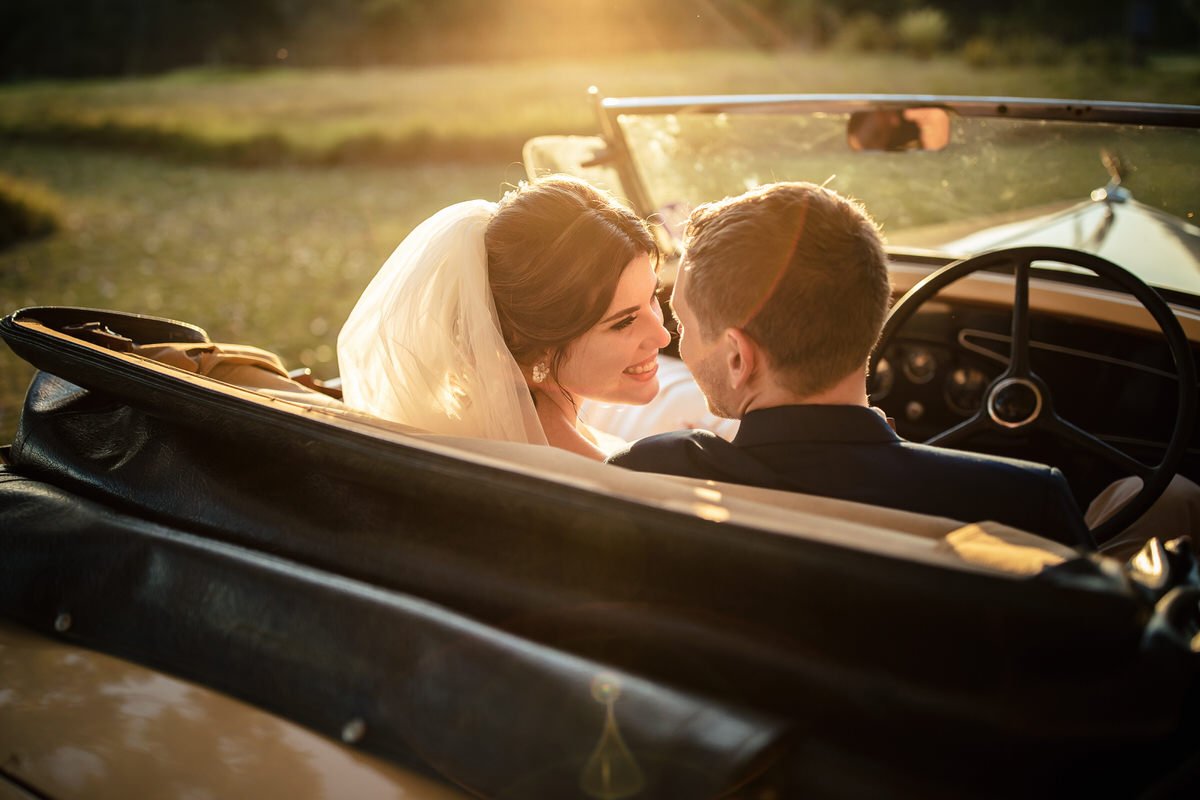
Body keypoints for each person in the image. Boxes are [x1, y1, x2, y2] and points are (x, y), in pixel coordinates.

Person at [606, 182, 1095, 549]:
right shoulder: (1028, 503)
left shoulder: (652, 475)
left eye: (685, 325)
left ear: (738, 357)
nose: (677, 342)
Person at [337, 176, 671, 460]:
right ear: (538, 347)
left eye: (653, 297)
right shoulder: (607, 476)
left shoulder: (466, 421)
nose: (663, 336)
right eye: (623, 322)